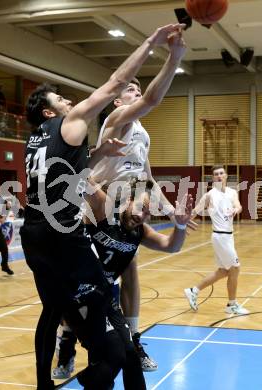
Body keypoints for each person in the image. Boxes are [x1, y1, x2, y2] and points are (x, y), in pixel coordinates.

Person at [20, 23, 185, 390]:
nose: (67, 101)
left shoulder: (37, 140)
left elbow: (70, 171)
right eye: (59, 99)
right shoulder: (110, 119)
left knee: (94, 285)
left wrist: (166, 207)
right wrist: (165, 52)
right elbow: (136, 93)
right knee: (98, 293)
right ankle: (104, 346)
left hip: (49, 223)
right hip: (92, 210)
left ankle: (110, 343)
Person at [90, 26, 187, 371]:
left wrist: (169, 207)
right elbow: (151, 99)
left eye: (136, 88)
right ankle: (67, 338)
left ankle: (133, 338)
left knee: (129, 266)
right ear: (118, 101)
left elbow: (147, 177)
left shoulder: (143, 133)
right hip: (96, 204)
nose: (135, 91)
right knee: (83, 277)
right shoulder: (117, 119)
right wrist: (173, 57)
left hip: (125, 205)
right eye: (130, 89)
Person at [52, 178, 197, 385]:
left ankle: (91, 378)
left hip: (104, 298)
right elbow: (81, 175)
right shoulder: (104, 210)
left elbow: (171, 246)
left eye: (148, 213)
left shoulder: (140, 231)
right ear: (129, 199)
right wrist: (96, 152)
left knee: (130, 355)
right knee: (114, 355)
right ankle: (71, 350)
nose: (142, 215)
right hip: (79, 296)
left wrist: (180, 226)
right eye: (142, 207)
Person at [184, 165, 249, 315]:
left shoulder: (233, 192)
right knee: (235, 268)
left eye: (221, 173)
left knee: (223, 271)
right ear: (213, 178)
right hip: (220, 236)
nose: (219, 176)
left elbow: (238, 205)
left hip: (229, 236)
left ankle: (193, 290)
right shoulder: (209, 195)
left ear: (226, 176)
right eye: (216, 174)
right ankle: (231, 305)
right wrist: (183, 224)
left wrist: (236, 209)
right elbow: (195, 211)